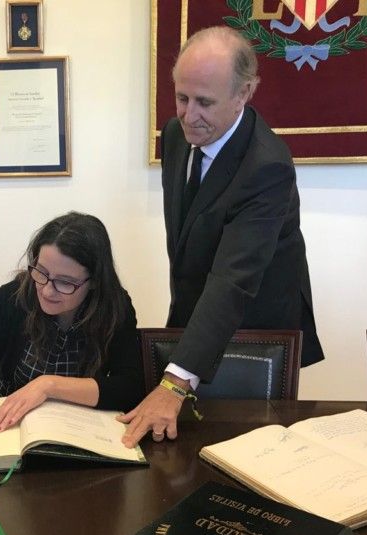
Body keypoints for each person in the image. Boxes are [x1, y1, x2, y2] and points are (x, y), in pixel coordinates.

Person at [119, 26, 323, 448]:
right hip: (198, 315)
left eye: (205, 102)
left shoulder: (267, 167)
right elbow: (189, 235)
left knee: (249, 448)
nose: (189, 115)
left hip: (257, 329)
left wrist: (174, 383)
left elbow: (232, 281)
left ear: (243, 93)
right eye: (181, 98)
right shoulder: (176, 136)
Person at [0, 212, 143, 443]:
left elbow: (130, 387)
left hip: (82, 431)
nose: (46, 290)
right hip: (9, 430)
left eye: (65, 282)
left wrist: (49, 385)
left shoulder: (114, 306)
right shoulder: (11, 298)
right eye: (41, 272)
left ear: (95, 281)